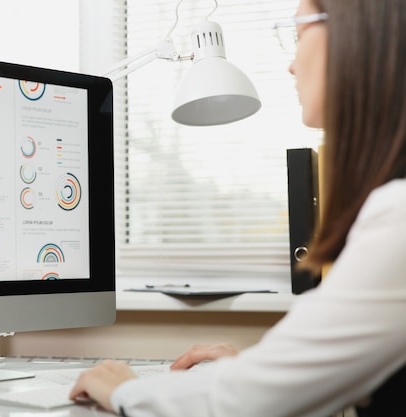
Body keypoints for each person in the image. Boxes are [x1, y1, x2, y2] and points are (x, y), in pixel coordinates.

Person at [70, 0, 406, 415]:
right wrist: (258, 369)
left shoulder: (399, 215)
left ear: (359, 40)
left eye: (299, 35)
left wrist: (123, 390)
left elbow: (251, 402)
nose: (292, 66)